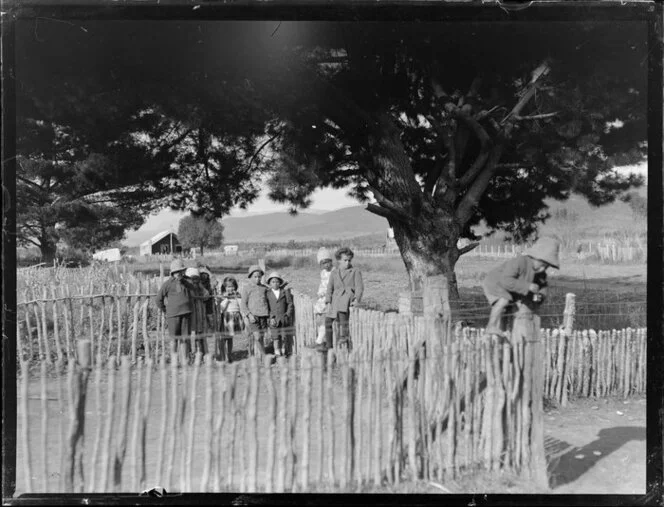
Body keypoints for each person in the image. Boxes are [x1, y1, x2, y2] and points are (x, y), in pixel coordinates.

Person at [482, 236, 560, 337]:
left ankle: (502, 331)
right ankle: (491, 326)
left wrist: (539, 296)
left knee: (511, 309)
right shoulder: (520, 262)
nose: (543, 268)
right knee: (504, 301)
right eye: (542, 263)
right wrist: (528, 286)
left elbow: (543, 288)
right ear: (535, 257)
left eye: (547, 266)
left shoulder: (541, 274)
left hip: (511, 290)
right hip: (495, 282)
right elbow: (506, 280)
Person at [321, 247, 364, 351]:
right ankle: (329, 346)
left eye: (349, 260)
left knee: (342, 314)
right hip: (335, 299)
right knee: (327, 321)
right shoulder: (334, 272)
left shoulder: (355, 271)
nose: (348, 262)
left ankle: (343, 336)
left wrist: (356, 299)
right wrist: (328, 301)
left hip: (347, 297)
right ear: (339, 260)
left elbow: (359, 287)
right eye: (345, 260)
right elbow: (329, 288)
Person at [156, 258, 194, 361]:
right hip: (173, 315)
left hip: (186, 313)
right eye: (176, 272)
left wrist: (186, 281)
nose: (179, 274)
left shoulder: (187, 282)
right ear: (172, 273)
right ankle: (174, 360)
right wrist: (166, 310)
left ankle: (185, 360)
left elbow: (193, 290)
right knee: (174, 339)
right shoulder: (167, 284)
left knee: (185, 338)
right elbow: (159, 299)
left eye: (181, 271)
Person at [239, 264, 270, 357]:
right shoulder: (247, 288)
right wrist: (249, 315)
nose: (257, 279)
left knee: (263, 336)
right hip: (253, 316)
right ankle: (264, 355)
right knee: (257, 336)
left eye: (259, 277)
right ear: (250, 277)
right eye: (255, 277)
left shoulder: (264, 288)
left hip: (264, 315)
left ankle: (261, 354)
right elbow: (243, 304)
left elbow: (269, 299)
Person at [265, 271, 294, 357]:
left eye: (277, 281)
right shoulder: (268, 293)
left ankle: (283, 350)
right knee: (275, 337)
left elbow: (290, 303)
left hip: (283, 317)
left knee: (284, 336)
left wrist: (287, 314)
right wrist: (270, 317)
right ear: (270, 283)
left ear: (280, 283)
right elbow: (266, 306)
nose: (275, 284)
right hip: (273, 319)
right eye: (273, 282)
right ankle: (277, 351)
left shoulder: (284, 292)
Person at [309, 247, 334, 349]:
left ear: (331, 262)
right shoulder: (323, 272)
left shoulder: (334, 272)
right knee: (319, 319)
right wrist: (319, 292)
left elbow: (333, 286)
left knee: (324, 319)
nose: (326, 265)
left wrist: (325, 293)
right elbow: (322, 284)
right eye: (323, 263)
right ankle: (321, 338)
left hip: (329, 297)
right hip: (321, 297)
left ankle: (319, 340)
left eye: (328, 262)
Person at [185, 267, 212, 357]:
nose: (195, 281)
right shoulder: (186, 288)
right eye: (193, 279)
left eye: (197, 278)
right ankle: (192, 353)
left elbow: (206, 295)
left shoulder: (200, 288)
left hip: (200, 315)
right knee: (192, 334)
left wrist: (201, 288)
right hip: (191, 315)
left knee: (200, 335)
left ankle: (202, 353)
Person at [218, 276, 243, 362]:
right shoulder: (223, 296)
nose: (230, 288)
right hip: (226, 318)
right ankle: (223, 355)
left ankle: (229, 354)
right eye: (228, 287)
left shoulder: (237, 295)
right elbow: (221, 309)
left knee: (230, 338)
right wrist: (226, 299)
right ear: (224, 287)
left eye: (232, 286)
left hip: (234, 317)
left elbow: (241, 306)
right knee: (223, 338)